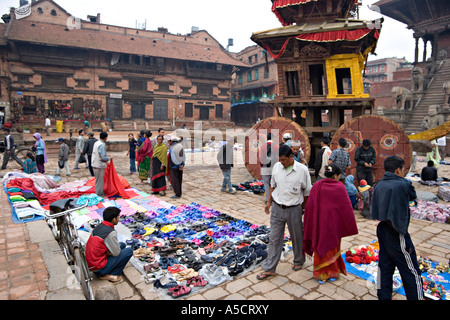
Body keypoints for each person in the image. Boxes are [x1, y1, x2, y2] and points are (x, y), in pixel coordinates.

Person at [371, 156, 424, 300]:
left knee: (385, 267)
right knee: (411, 272)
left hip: (382, 228)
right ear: (397, 170)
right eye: (402, 169)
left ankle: (383, 296)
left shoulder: (379, 184)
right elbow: (412, 196)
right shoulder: (403, 184)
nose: (403, 172)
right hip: (396, 232)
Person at [257, 145, 312, 280]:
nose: (281, 162)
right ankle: (270, 268)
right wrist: (268, 202)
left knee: (297, 237)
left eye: (283, 160)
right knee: (274, 238)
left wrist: (302, 209)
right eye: (279, 160)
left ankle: (299, 260)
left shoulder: (302, 170)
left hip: (294, 209)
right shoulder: (277, 167)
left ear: (291, 157)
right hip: (277, 208)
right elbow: (273, 185)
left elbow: (307, 192)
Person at [303, 163, 358, 284]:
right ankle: (333, 272)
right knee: (333, 247)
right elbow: (346, 208)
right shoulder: (340, 187)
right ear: (337, 175)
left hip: (320, 224)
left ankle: (320, 274)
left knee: (320, 246)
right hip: (333, 225)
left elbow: (309, 207)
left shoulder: (316, 186)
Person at [85, 207, 133, 283]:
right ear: (114, 219)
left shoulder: (99, 226)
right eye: (118, 217)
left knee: (122, 245)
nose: (118, 218)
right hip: (99, 268)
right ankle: (112, 274)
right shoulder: (111, 233)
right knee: (129, 251)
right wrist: (111, 252)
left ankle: (107, 270)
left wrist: (109, 252)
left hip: (92, 263)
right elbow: (116, 253)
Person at [91, 132, 112, 197]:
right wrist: (109, 158)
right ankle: (100, 193)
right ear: (106, 138)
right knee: (100, 180)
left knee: (97, 179)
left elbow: (99, 152)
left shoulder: (96, 143)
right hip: (99, 164)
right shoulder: (102, 145)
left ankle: (98, 191)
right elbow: (103, 157)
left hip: (94, 163)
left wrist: (106, 154)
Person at [260, 133, 278, 204]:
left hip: (265, 166)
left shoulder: (263, 146)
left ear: (267, 138)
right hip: (274, 167)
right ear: (273, 138)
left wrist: (262, 165)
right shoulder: (276, 146)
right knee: (273, 183)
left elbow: (261, 157)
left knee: (266, 183)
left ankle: (267, 199)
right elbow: (278, 157)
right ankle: (273, 198)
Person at [168, 135, 185, 199]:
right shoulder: (180, 146)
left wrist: (177, 165)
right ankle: (179, 192)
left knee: (175, 180)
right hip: (180, 166)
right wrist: (182, 164)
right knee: (179, 179)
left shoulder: (172, 147)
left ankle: (177, 194)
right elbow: (184, 156)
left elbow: (173, 158)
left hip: (174, 166)